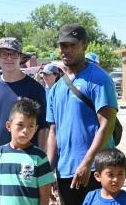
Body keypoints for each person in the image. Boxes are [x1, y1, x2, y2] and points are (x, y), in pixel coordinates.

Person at [46, 23, 118, 204]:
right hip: (65, 172)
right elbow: (53, 131)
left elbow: (107, 124)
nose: (66, 50)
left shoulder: (100, 79)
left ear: (85, 45)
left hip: (96, 170)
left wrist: (87, 162)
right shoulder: (56, 88)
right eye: (63, 45)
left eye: (72, 45)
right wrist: (48, 171)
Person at [0, 99, 55, 205]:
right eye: (20, 125)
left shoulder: (40, 157)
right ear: (9, 126)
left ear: (35, 129)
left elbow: (45, 197)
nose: (25, 130)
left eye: (30, 126)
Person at [0, 37, 47, 156]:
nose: (9, 58)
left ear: (20, 57)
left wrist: (41, 156)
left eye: (14, 54)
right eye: (4, 54)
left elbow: (42, 127)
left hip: (28, 159)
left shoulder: (36, 89)